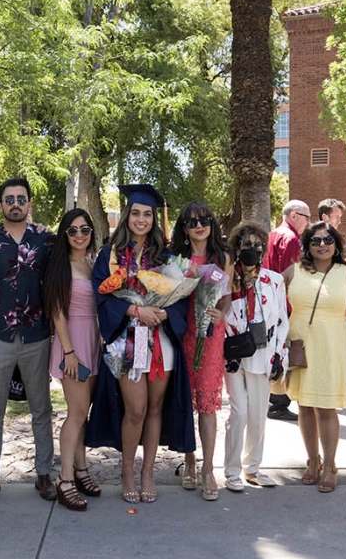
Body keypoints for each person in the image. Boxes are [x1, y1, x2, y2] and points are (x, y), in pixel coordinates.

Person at [86, 184, 194, 502]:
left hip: (161, 341)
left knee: (156, 408)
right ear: (127, 216)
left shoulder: (167, 255)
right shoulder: (110, 255)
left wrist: (161, 311)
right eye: (136, 213)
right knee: (136, 409)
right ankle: (127, 472)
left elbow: (181, 296)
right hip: (126, 342)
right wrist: (135, 309)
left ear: (153, 219)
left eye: (147, 214)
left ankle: (149, 472)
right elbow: (100, 295)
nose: (142, 219)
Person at [0, 178, 56, 505]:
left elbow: (57, 280)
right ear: (0, 205)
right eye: (9, 199)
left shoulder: (46, 240)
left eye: (21, 198)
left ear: (30, 204)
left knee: (41, 408)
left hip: (37, 335)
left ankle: (44, 474)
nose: (15, 203)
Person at [284, 221, 346, 493]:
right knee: (304, 406)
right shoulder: (294, 271)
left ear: (336, 244)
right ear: (307, 245)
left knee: (326, 408)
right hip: (299, 343)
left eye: (327, 240)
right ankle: (312, 461)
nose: (322, 245)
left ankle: (330, 465)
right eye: (316, 241)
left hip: (332, 343)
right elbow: (266, 292)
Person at [169, 201, 230, 501]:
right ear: (183, 227)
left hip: (210, 334)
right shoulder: (175, 258)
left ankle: (208, 468)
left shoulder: (223, 256)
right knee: (184, 400)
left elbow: (227, 297)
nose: (198, 225)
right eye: (191, 222)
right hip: (181, 332)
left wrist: (221, 313)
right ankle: (189, 461)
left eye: (204, 219)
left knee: (206, 403)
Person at [43, 208, 102, 511]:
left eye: (85, 229)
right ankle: (65, 479)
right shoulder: (61, 266)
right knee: (76, 413)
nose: (80, 235)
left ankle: (81, 470)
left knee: (84, 413)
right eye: (73, 230)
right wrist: (68, 352)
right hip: (72, 343)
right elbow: (57, 313)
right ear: (64, 235)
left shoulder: (93, 263)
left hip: (92, 339)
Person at [222, 222, 288, 492]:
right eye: (246, 245)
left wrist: (279, 355)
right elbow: (220, 313)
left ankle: (253, 467)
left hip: (263, 352)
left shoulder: (274, 280)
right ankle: (232, 470)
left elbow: (282, 319)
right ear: (237, 248)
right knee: (238, 412)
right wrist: (229, 343)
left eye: (257, 245)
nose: (252, 249)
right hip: (235, 353)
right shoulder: (227, 278)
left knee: (259, 413)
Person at [264, 199, 312, 422]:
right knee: (285, 350)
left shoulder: (273, 234)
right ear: (293, 215)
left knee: (275, 348)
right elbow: (291, 275)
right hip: (284, 302)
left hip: (269, 299)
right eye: (306, 217)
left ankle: (276, 400)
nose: (308, 222)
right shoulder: (291, 238)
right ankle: (279, 403)